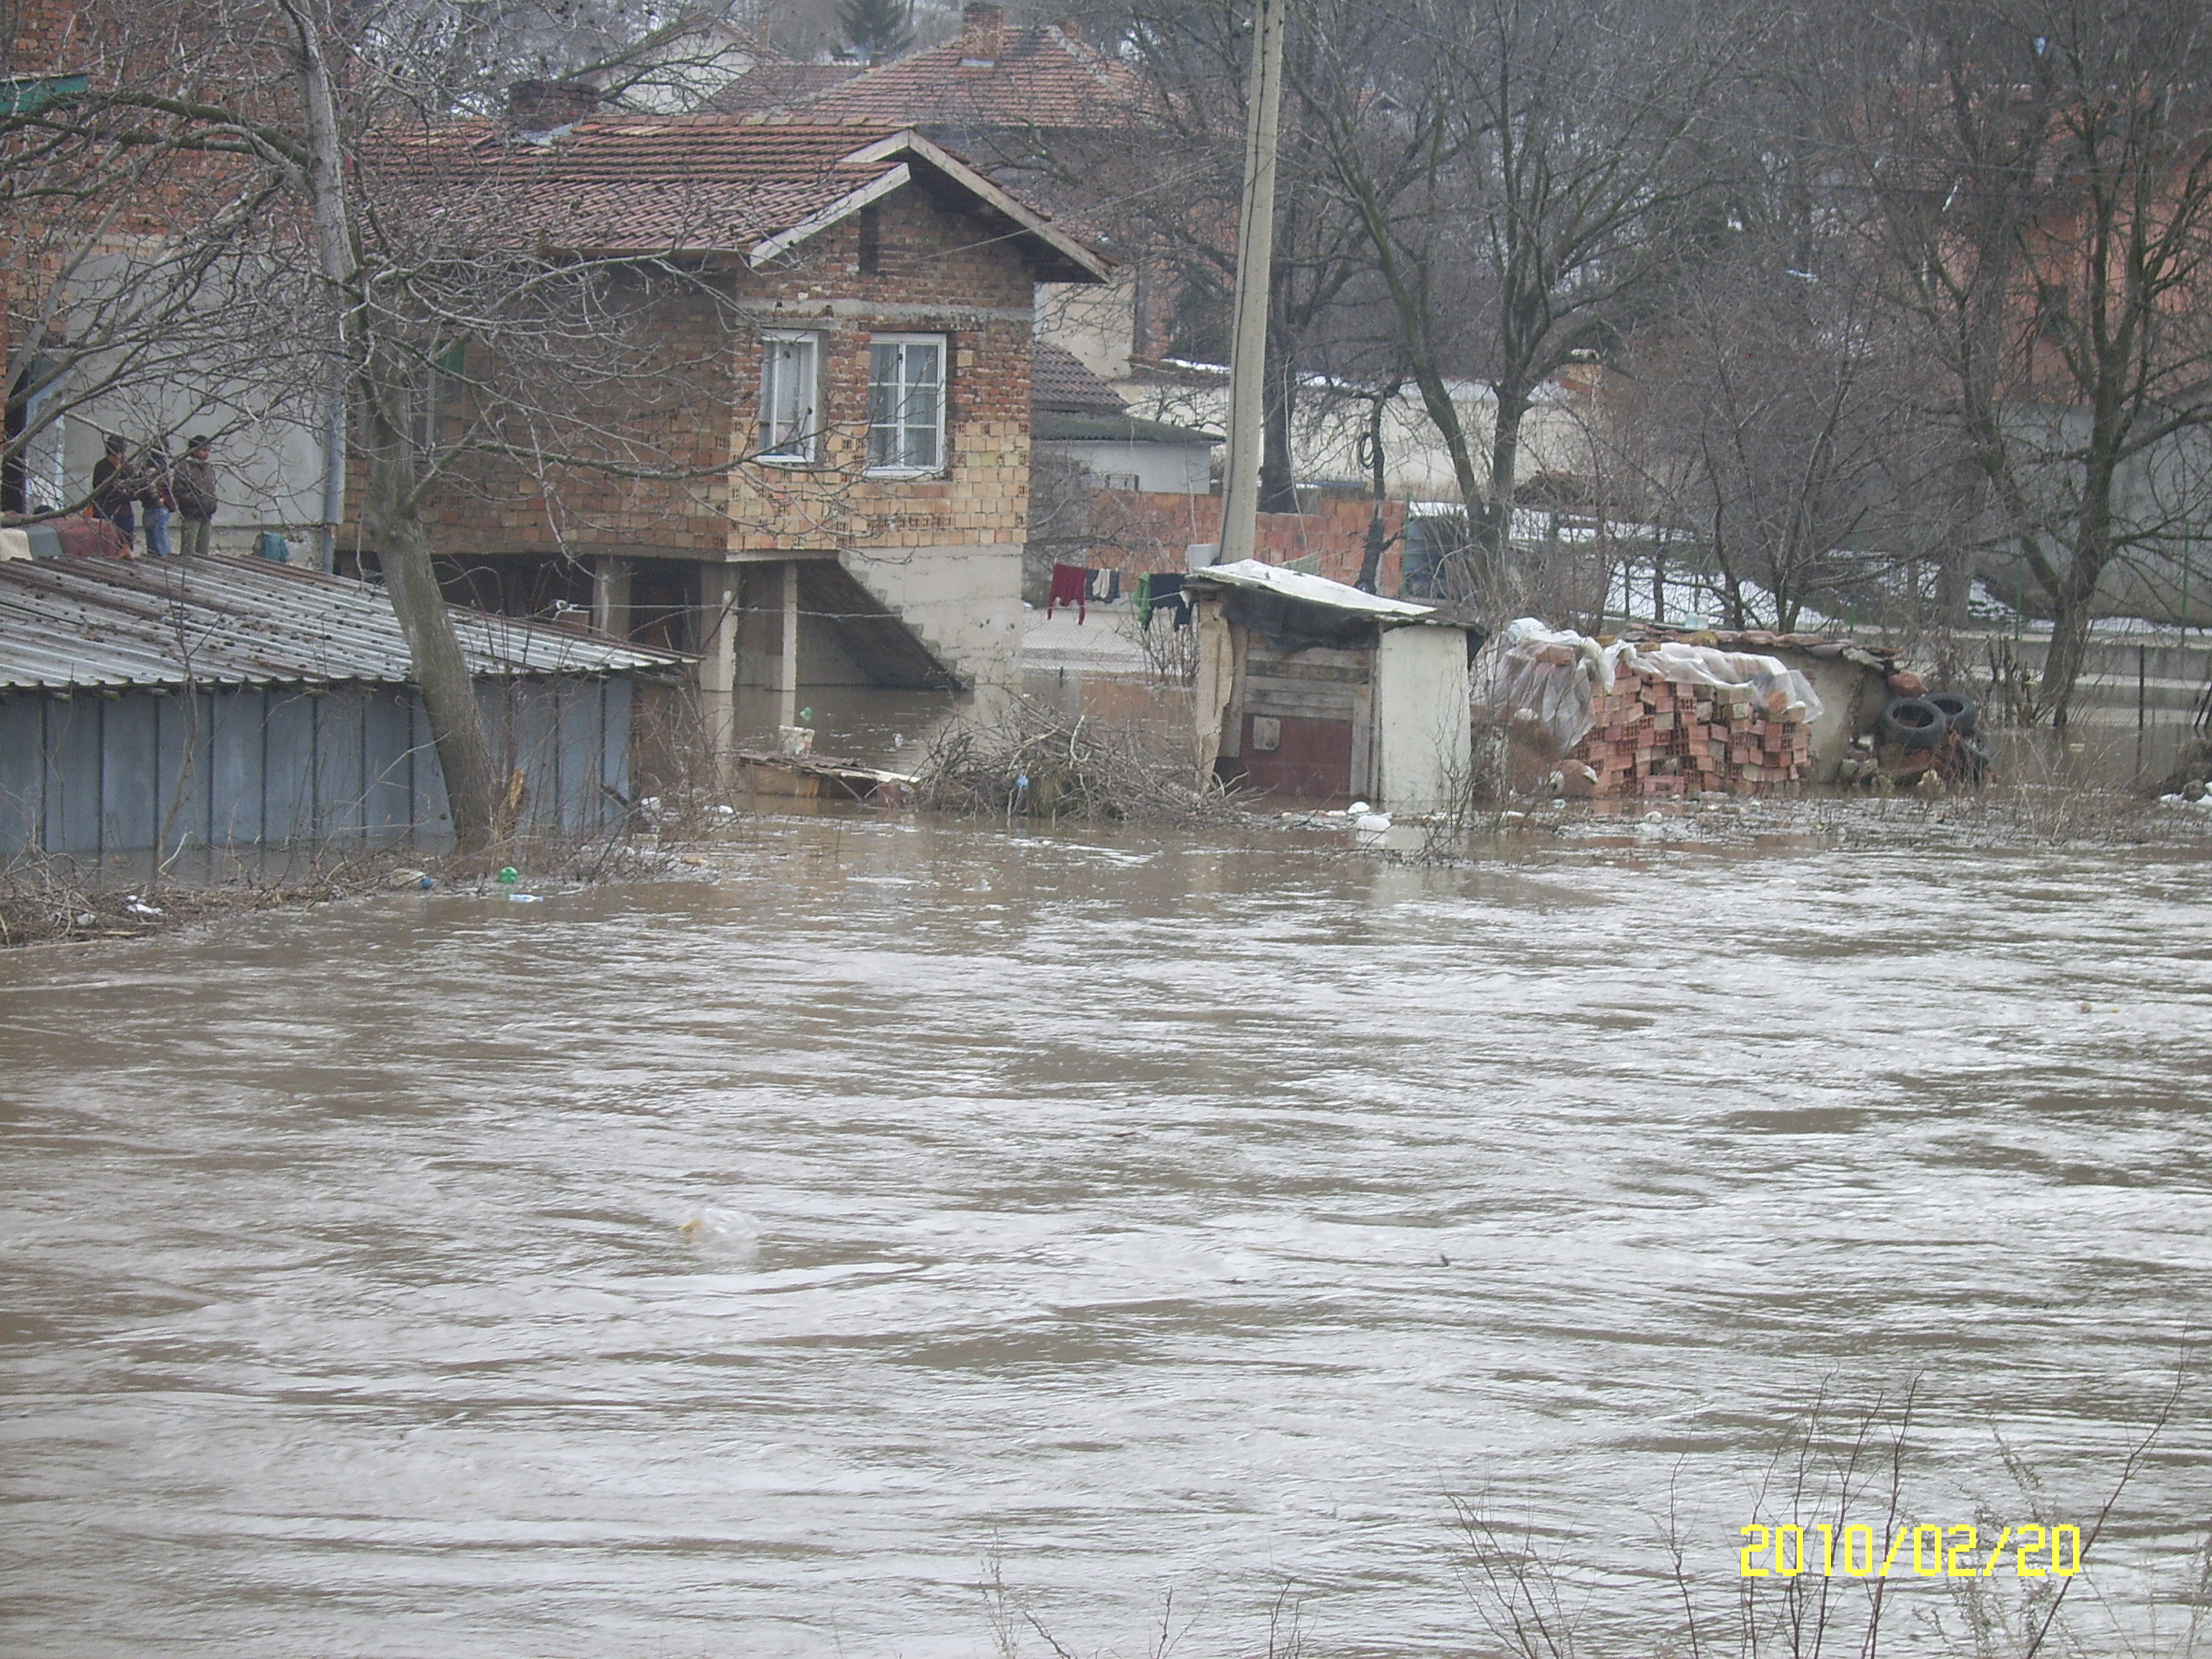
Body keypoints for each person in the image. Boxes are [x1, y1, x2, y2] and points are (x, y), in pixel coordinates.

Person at [90, 434, 140, 549]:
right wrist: (123, 491)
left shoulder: (127, 467)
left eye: (118, 455)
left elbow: (137, 490)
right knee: (105, 546)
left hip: (125, 513)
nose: (115, 459)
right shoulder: (101, 467)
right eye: (112, 456)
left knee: (126, 545)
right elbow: (103, 490)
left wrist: (122, 492)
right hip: (105, 512)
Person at [172, 436, 217, 558]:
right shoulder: (184, 467)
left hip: (207, 516)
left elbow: (212, 489)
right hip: (191, 515)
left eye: (208, 450)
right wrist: (196, 503)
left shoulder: (208, 468)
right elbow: (179, 491)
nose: (207, 453)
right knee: (189, 553)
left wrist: (212, 504)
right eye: (204, 450)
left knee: (203, 554)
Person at [142, 446, 175, 557]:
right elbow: (152, 486)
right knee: (161, 547)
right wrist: (159, 499)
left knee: (153, 547)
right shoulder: (158, 466)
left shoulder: (146, 466)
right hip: (158, 508)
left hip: (149, 508)